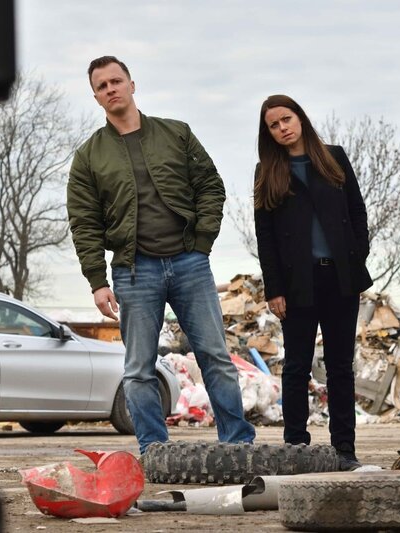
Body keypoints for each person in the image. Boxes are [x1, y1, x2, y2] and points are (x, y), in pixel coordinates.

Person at [67, 56, 255, 454]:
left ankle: (238, 446)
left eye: (116, 81)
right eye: (102, 86)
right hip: (134, 272)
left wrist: (201, 241)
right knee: (138, 370)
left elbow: (210, 187)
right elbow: (84, 222)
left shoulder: (176, 133)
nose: (111, 89)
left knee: (215, 357)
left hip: (189, 262)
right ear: (96, 97)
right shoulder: (88, 157)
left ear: (132, 84)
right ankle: (154, 451)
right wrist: (97, 282)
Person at [253, 95, 372, 471]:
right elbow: (266, 236)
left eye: (286, 119)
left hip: (340, 278)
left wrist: (356, 259)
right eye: (274, 125)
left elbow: (357, 211)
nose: (282, 128)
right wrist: (274, 289)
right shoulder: (267, 171)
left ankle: (344, 451)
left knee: (340, 367)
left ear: (300, 118)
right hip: (296, 283)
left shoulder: (333, 157)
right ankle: (296, 448)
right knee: (296, 367)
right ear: (268, 133)